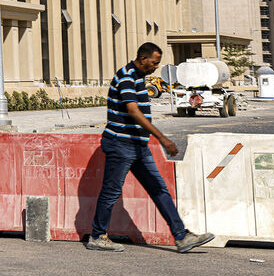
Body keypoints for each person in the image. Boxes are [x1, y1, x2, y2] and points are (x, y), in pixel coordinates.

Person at [87, 42, 214, 253]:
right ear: (143, 58)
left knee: (158, 189)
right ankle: (97, 236)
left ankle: (181, 237)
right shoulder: (127, 76)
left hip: (138, 146)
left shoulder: (138, 77)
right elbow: (133, 111)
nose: (156, 67)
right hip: (120, 144)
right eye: (154, 63)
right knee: (111, 191)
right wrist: (162, 138)